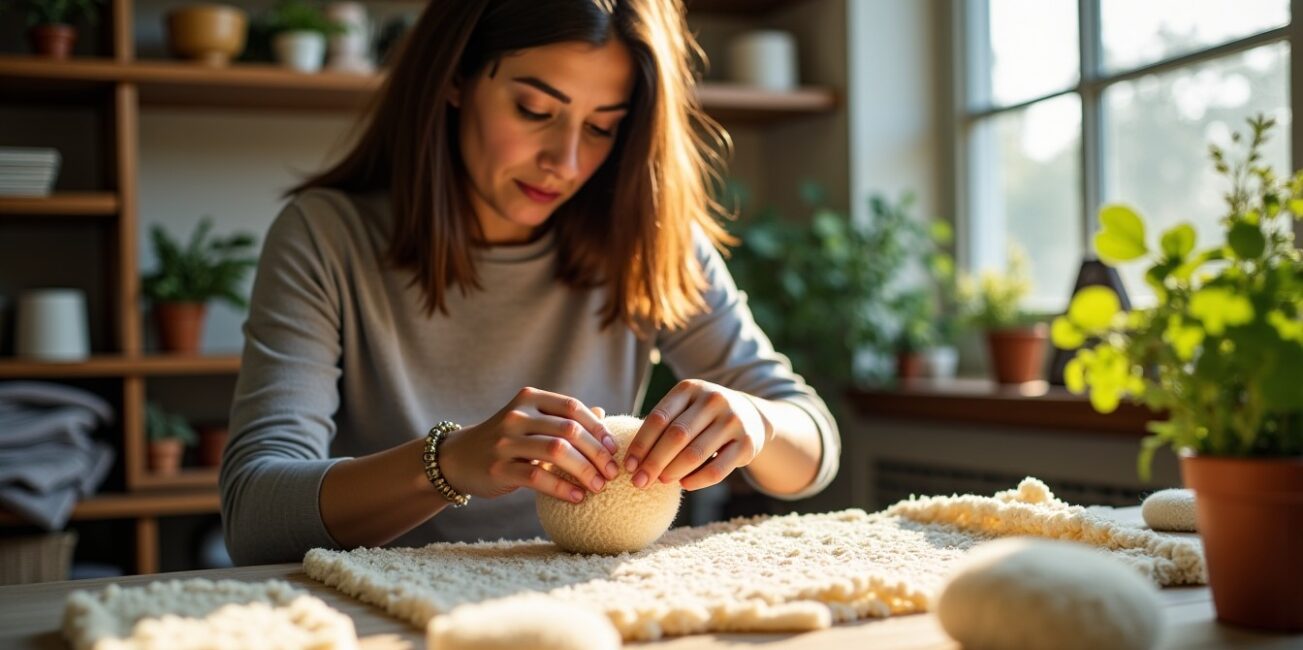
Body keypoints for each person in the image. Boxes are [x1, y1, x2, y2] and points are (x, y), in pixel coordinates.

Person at [220, 0, 840, 566]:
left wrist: (756, 422)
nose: (565, 162)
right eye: (534, 109)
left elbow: (814, 447)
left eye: (601, 127)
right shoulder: (325, 236)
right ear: (456, 78)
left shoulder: (647, 239)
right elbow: (254, 516)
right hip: (387, 611)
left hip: (585, 607)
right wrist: (450, 463)